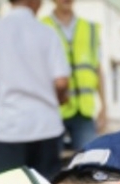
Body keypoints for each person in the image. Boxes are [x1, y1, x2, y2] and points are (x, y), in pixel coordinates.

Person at [0, 0, 70, 178]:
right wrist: (61, 97)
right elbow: (62, 82)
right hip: (46, 125)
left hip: (11, 127)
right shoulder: (48, 33)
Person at [42, 0, 107, 152]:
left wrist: (104, 108)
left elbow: (97, 69)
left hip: (83, 111)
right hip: (52, 110)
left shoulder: (90, 28)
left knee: (88, 164)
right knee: (49, 167)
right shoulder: (42, 27)